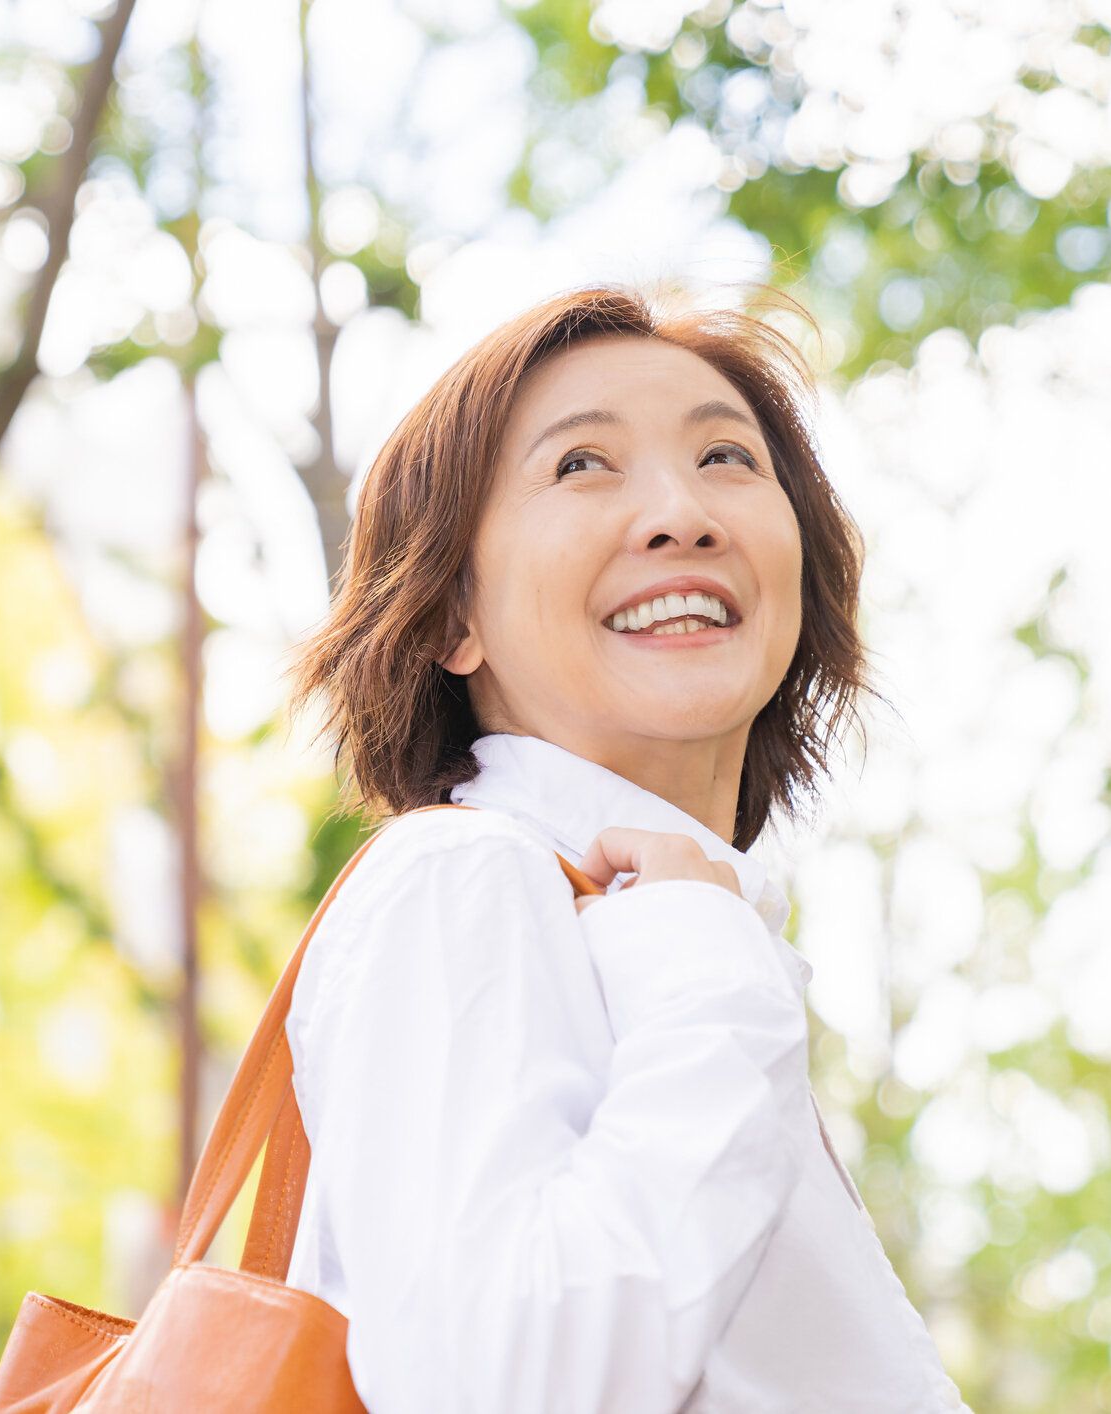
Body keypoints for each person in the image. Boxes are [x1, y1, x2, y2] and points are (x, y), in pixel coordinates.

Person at [276, 283, 974, 1412]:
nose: (681, 515)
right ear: (453, 614)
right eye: (580, 465)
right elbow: (514, 1385)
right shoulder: (465, 879)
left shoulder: (679, 928)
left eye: (729, 460)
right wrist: (711, 977)